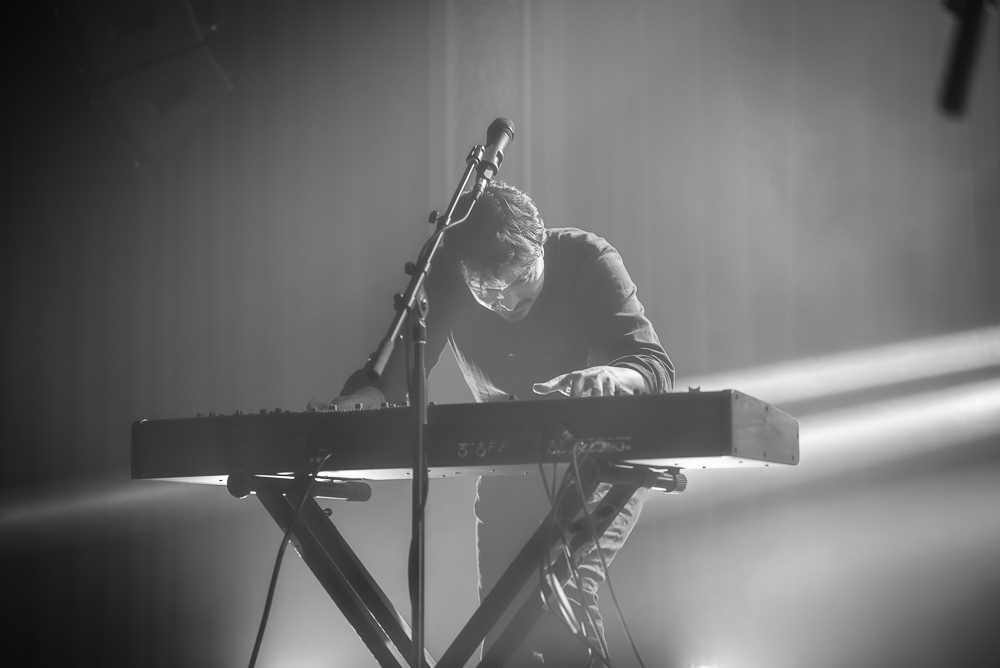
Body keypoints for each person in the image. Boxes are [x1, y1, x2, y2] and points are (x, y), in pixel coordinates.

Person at [316, 181, 674, 666]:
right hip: (509, 465)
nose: (506, 300)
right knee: (503, 625)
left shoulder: (589, 259)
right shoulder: (448, 277)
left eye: (520, 278)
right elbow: (397, 365)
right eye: (487, 291)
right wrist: (365, 395)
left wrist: (615, 374)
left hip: (599, 462)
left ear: (541, 241)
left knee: (557, 598)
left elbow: (652, 364)